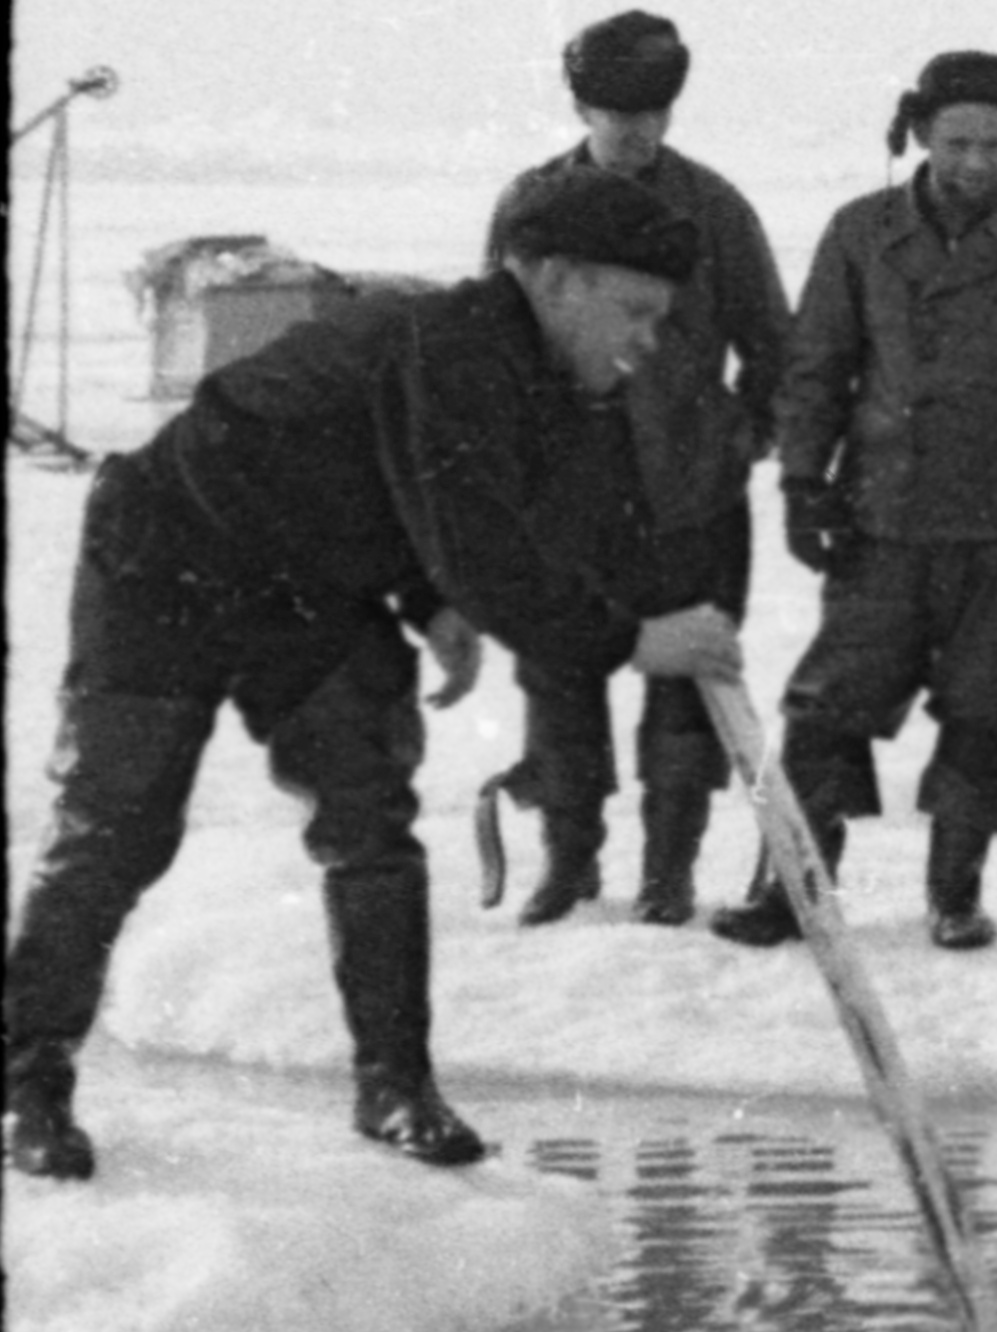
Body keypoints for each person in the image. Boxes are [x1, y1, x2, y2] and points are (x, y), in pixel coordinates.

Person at [5, 171, 734, 1178]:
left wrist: (431, 600)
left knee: (370, 820)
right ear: (558, 279)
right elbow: (479, 543)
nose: (648, 339)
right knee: (117, 825)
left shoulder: (542, 372)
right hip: (164, 563)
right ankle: (28, 1082)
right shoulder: (446, 345)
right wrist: (625, 641)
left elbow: (430, 496)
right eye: (636, 310)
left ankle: (395, 1086)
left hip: (310, 588)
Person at [733, 49, 997, 955]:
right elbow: (817, 367)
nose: (976, 161)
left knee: (986, 711)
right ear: (917, 134)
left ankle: (956, 893)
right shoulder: (860, 231)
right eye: (956, 142)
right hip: (882, 520)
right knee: (825, 711)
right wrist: (803, 482)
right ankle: (792, 887)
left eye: (994, 142)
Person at [475, 8, 790, 927]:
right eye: (618, 111)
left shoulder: (714, 207)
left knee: (686, 692)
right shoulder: (531, 203)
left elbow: (774, 342)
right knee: (559, 678)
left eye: (654, 110)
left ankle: (667, 874)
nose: (637, 129)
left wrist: (743, 436)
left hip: (689, 493)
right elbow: (490, 335)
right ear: (581, 107)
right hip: (567, 497)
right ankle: (568, 863)